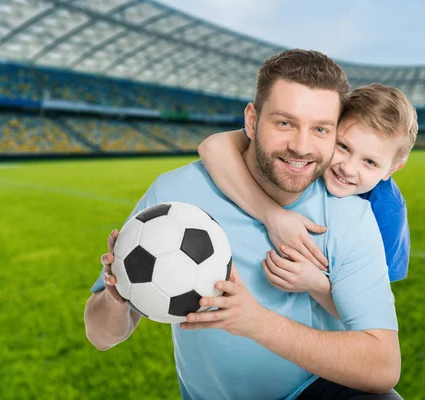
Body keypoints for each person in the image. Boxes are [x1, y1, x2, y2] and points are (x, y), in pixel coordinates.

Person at [84, 49, 402, 400]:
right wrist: (118, 297)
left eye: (321, 129)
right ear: (251, 120)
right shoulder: (173, 196)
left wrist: (257, 323)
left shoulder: (347, 215)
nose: (300, 146)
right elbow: (101, 336)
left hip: (316, 390)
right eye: (284, 123)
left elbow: (383, 368)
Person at [198, 84, 417, 319]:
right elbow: (212, 146)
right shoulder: (304, 151)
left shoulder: (388, 212)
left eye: (370, 162)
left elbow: (369, 315)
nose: (348, 168)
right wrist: (272, 216)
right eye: (343, 146)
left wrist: (316, 285)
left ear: (392, 169)